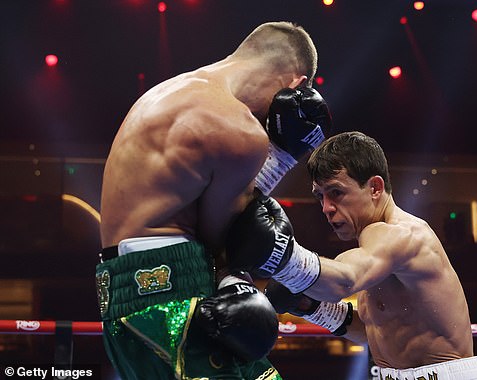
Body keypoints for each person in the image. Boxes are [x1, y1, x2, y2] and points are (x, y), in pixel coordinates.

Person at [96, 21, 332, 380]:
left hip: (125, 292)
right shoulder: (238, 130)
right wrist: (282, 156)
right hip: (173, 292)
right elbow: (229, 240)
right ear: (296, 86)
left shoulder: (167, 91)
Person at [226, 131, 477, 379]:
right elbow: (374, 329)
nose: (326, 208)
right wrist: (310, 307)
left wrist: (281, 253)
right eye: (320, 196)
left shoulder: (403, 236)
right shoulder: (374, 250)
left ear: (374, 188)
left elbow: (343, 281)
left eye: (336, 192)